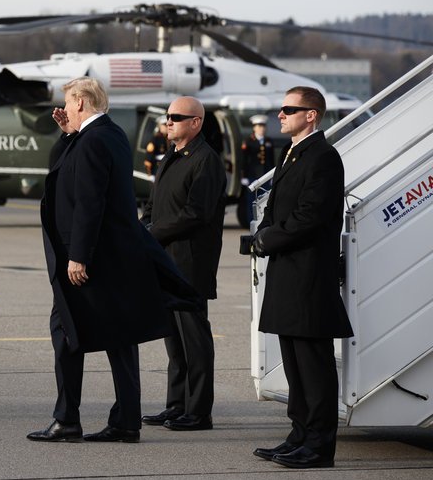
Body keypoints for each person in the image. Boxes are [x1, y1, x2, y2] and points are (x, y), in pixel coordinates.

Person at [28, 77, 200, 444]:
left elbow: (91, 202)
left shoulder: (93, 141)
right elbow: (63, 176)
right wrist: (66, 135)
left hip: (88, 262)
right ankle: (125, 420)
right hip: (110, 258)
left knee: (65, 333)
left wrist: (78, 257)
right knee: (120, 339)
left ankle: (67, 419)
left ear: (80, 102)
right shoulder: (107, 134)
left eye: (68, 102)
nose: (65, 108)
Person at [249, 86, 353, 468]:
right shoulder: (291, 153)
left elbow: (310, 215)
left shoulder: (323, 157)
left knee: (314, 365)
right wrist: (263, 232)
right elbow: (276, 207)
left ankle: (319, 445)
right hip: (288, 272)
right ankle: (299, 434)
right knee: (294, 362)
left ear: (311, 115)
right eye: (281, 108)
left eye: (289, 109)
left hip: (309, 275)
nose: (280, 114)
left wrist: (267, 239)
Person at [140, 96, 226, 432]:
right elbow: (155, 202)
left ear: (196, 122)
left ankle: (199, 411)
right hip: (166, 260)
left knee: (195, 340)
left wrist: (152, 233)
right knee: (173, 340)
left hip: (190, 264)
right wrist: (143, 227)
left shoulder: (206, 160)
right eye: (168, 116)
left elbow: (196, 214)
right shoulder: (171, 156)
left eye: (176, 116)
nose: (169, 121)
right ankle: (176, 405)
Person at [239, 114, 275, 225]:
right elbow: (243, 160)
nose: (262, 128)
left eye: (263, 126)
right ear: (254, 128)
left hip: (265, 176)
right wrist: (244, 176)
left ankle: (264, 222)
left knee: (266, 200)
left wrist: (272, 175)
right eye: (259, 126)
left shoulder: (268, 141)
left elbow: (271, 160)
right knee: (251, 200)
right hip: (252, 176)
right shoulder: (248, 141)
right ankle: (252, 222)